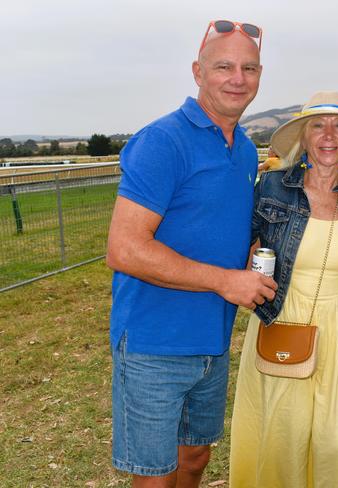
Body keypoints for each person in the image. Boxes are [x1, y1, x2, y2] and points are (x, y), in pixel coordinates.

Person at [105, 20, 277, 488]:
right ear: (197, 71)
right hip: (153, 343)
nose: (237, 78)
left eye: (249, 67)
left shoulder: (242, 148)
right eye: (224, 66)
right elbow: (124, 249)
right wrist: (225, 281)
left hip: (212, 340)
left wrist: (247, 256)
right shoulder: (163, 140)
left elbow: (211, 225)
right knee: (155, 478)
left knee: (196, 458)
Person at [229, 91, 338, 488]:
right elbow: (237, 251)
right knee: (285, 436)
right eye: (318, 125)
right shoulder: (271, 188)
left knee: (334, 440)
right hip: (283, 319)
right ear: (304, 138)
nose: (329, 135)